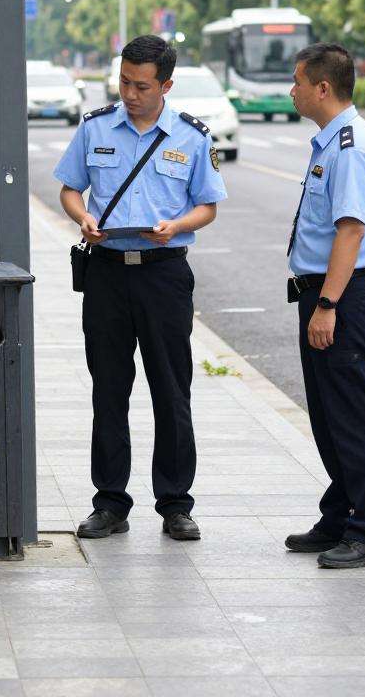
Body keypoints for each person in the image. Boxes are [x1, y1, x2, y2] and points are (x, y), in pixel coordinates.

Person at [54, 34, 227, 543]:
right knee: (109, 389)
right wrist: (82, 217)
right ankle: (110, 502)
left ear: (166, 86)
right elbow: (69, 188)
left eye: (142, 86)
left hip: (163, 274)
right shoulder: (95, 127)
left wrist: (177, 226)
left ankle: (176, 503)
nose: (130, 94)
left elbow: (208, 206)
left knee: (171, 389)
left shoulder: (192, 137)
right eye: (124, 82)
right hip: (107, 273)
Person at [284, 42, 365, 569]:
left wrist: (327, 303)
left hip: (344, 296)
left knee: (354, 416)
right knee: (330, 417)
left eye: (298, 82)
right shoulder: (331, 141)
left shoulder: (350, 147)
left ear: (322, 88)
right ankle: (341, 515)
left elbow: (350, 231)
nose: (292, 90)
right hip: (325, 292)